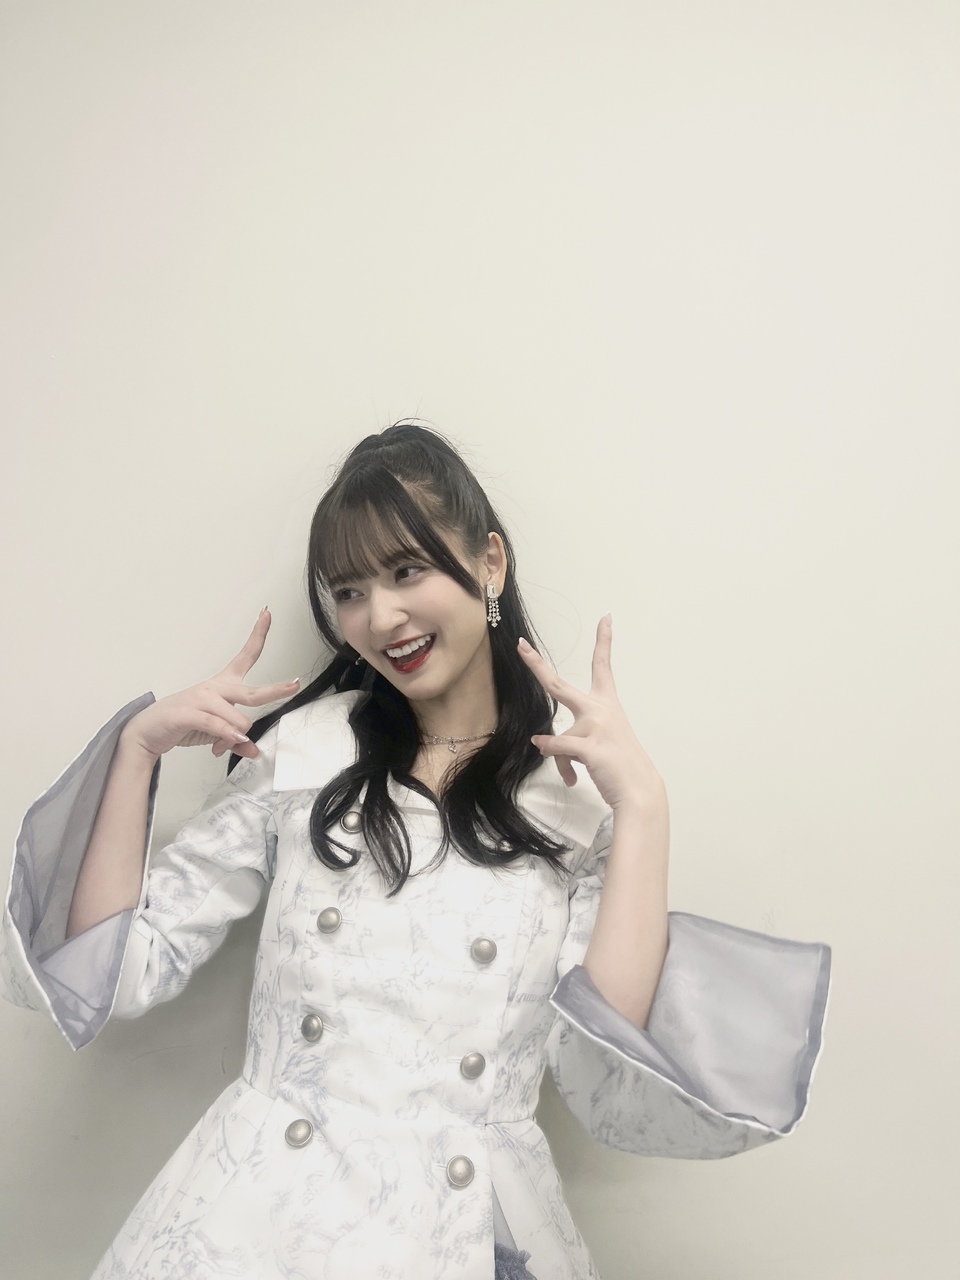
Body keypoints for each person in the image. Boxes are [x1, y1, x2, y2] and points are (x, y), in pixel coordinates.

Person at [1, 423, 831, 1280]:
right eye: (349, 590)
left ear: (490, 564)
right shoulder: (304, 755)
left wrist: (645, 808)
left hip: (462, 1232)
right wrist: (137, 748)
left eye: (406, 571)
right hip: (265, 1220)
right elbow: (116, 972)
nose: (380, 617)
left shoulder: (572, 803)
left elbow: (602, 1076)